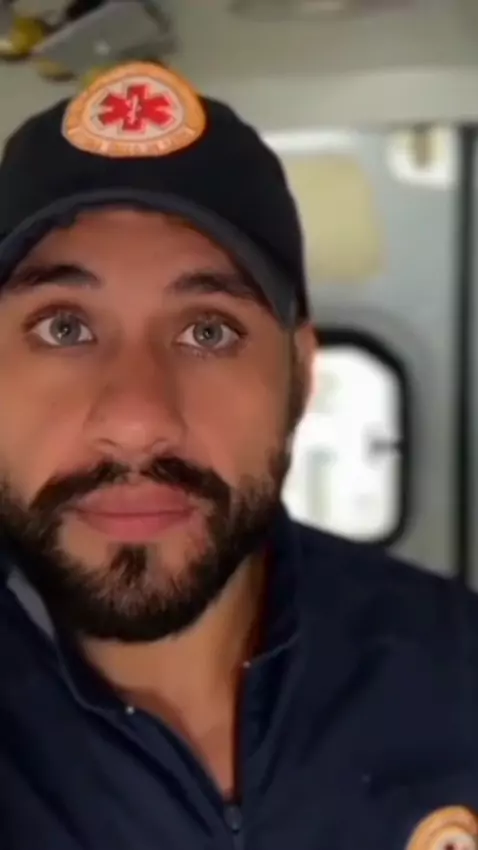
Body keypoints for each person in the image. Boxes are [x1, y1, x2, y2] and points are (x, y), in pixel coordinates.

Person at [0, 60, 477, 850]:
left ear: (300, 375)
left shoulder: (456, 667)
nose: (137, 423)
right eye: (64, 327)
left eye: (209, 331)